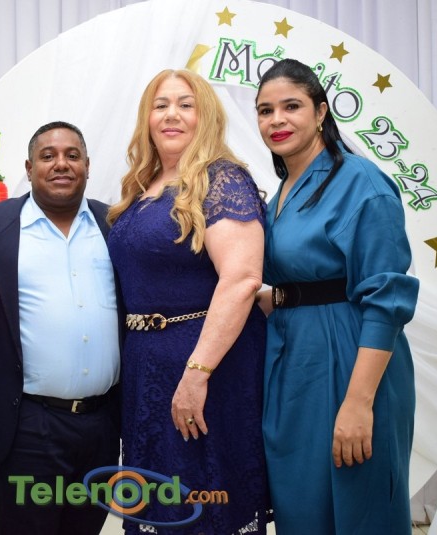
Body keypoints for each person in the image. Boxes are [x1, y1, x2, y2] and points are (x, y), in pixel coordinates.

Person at [254, 58, 420, 534]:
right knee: (302, 506)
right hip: (294, 359)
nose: (277, 120)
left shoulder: (361, 182)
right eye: (266, 110)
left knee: (358, 505)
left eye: (291, 106)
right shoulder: (283, 191)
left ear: (321, 111)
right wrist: (273, 298)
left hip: (350, 357)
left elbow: (387, 299)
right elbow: (303, 276)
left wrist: (359, 402)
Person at [107, 69, 271, 534]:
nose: (171, 115)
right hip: (147, 367)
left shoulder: (222, 179)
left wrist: (197, 373)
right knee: (158, 504)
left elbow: (242, 279)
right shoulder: (142, 185)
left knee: (203, 503)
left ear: (207, 116)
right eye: (160, 105)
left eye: (185, 104)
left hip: (204, 364)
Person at [0, 121, 121, 535]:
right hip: (28, 427)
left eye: (72, 155)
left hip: (103, 425)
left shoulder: (115, 224)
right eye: (48, 155)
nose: (61, 164)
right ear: (29, 167)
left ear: (88, 165)